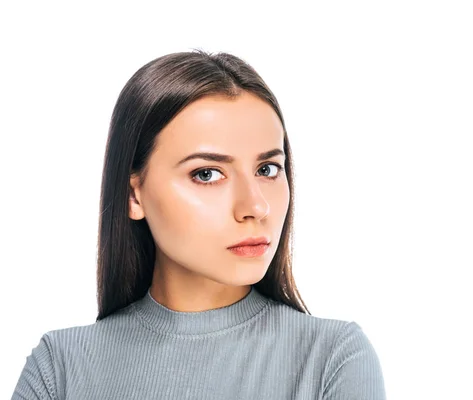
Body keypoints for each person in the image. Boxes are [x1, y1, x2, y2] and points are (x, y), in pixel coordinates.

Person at [11, 49, 386, 399]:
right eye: (207, 174)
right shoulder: (59, 368)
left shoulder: (331, 360)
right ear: (134, 196)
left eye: (268, 169)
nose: (254, 205)